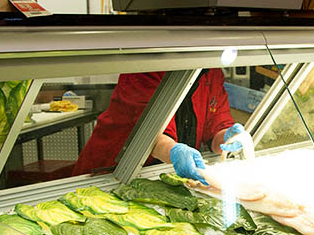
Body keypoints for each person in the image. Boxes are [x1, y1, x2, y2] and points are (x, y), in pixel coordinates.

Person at [72, 69, 248, 184]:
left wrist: (227, 137)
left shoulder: (210, 71)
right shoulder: (146, 67)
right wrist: (174, 151)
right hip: (113, 172)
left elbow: (216, 127)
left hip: (160, 175)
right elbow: (149, 135)